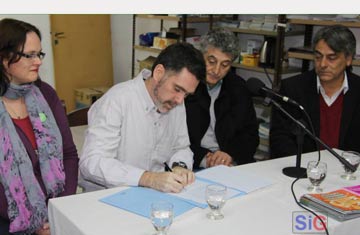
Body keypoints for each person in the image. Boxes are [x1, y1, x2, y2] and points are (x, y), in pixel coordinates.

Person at [0, 18, 79, 235]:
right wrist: (37, 224)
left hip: (55, 208)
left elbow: (69, 154)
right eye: (30, 55)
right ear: (4, 59)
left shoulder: (45, 94)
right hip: (9, 218)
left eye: (40, 53)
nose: (39, 61)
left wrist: (57, 211)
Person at [79, 43, 206, 193]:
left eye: (186, 94)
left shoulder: (175, 102)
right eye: (177, 89)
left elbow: (180, 147)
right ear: (159, 73)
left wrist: (180, 167)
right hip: (106, 196)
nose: (180, 100)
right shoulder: (117, 100)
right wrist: (148, 178)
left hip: (152, 194)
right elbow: (92, 162)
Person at [270, 25, 360, 158]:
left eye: (331, 58)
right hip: (305, 171)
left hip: (347, 173)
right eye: (318, 57)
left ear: (348, 59)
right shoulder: (292, 88)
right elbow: (280, 139)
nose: (322, 64)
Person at [185, 28, 259, 169]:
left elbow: (250, 135)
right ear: (201, 56)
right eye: (211, 61)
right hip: (193, 161)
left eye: (225, 65)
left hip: (229, 163)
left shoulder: (238, 87)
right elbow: (174, 138)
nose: (217, 71)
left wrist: (230, 154)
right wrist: (205, 158)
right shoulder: (186, 85)